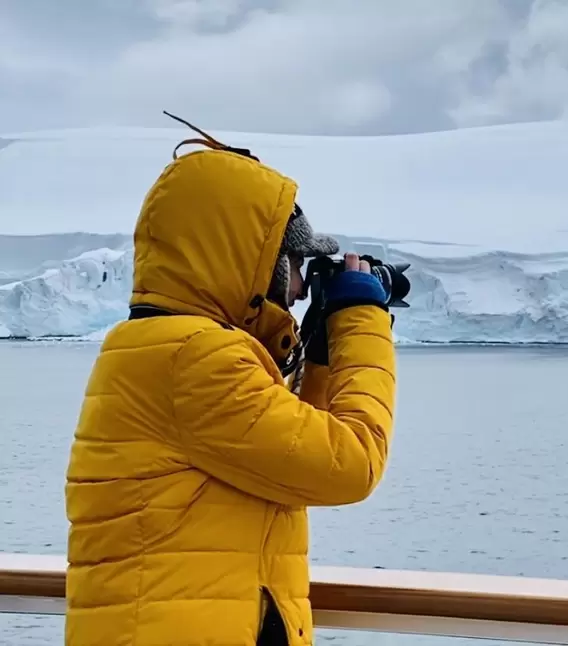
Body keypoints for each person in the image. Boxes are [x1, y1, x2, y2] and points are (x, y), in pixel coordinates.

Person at [64, 137, 397, 645]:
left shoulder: (168, 350)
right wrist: (364, 319)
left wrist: (323, 352)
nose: (303, 288)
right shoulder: (194, 359)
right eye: (297, 264)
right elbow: (351, 463)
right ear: (253, 263)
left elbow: (289, 462)